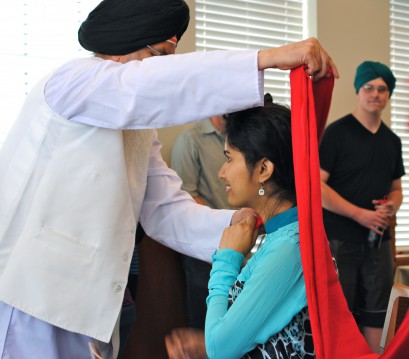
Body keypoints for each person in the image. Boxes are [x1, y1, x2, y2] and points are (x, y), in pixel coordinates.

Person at [0, 0, 337, 357]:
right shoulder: (73, 80)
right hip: (31, 298)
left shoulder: (140, 127)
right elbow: (144, 85)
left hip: (88, 305)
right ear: (123, 44)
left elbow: (165, 210)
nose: (163, 68)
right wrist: (266, 58)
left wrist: (239, 223)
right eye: (159, 55)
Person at [166, 102, 315, 359]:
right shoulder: (283, 235)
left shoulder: (289, 247)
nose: (222, 173)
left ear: (263, 169)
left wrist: (227, 258)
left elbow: (219, 350)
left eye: (229, 158)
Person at [319, 61, 404, 353]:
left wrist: (389, 207)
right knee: (340, 313)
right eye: (369, 87)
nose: (375, 93)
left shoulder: (392, 142)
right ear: (358, 90)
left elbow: (396, 191)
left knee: (378, 312)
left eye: (382, 89)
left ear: (388, 94)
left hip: (379, 243)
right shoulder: (337, 133)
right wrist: (361, 215)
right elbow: (317, 188)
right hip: (339, 242)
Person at [170, 115, 232, 330]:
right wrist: (224, 223)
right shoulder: (190, 139)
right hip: (203, 243)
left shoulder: (240, 136)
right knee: (205, 312)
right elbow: (184, 197)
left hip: (242, 239)